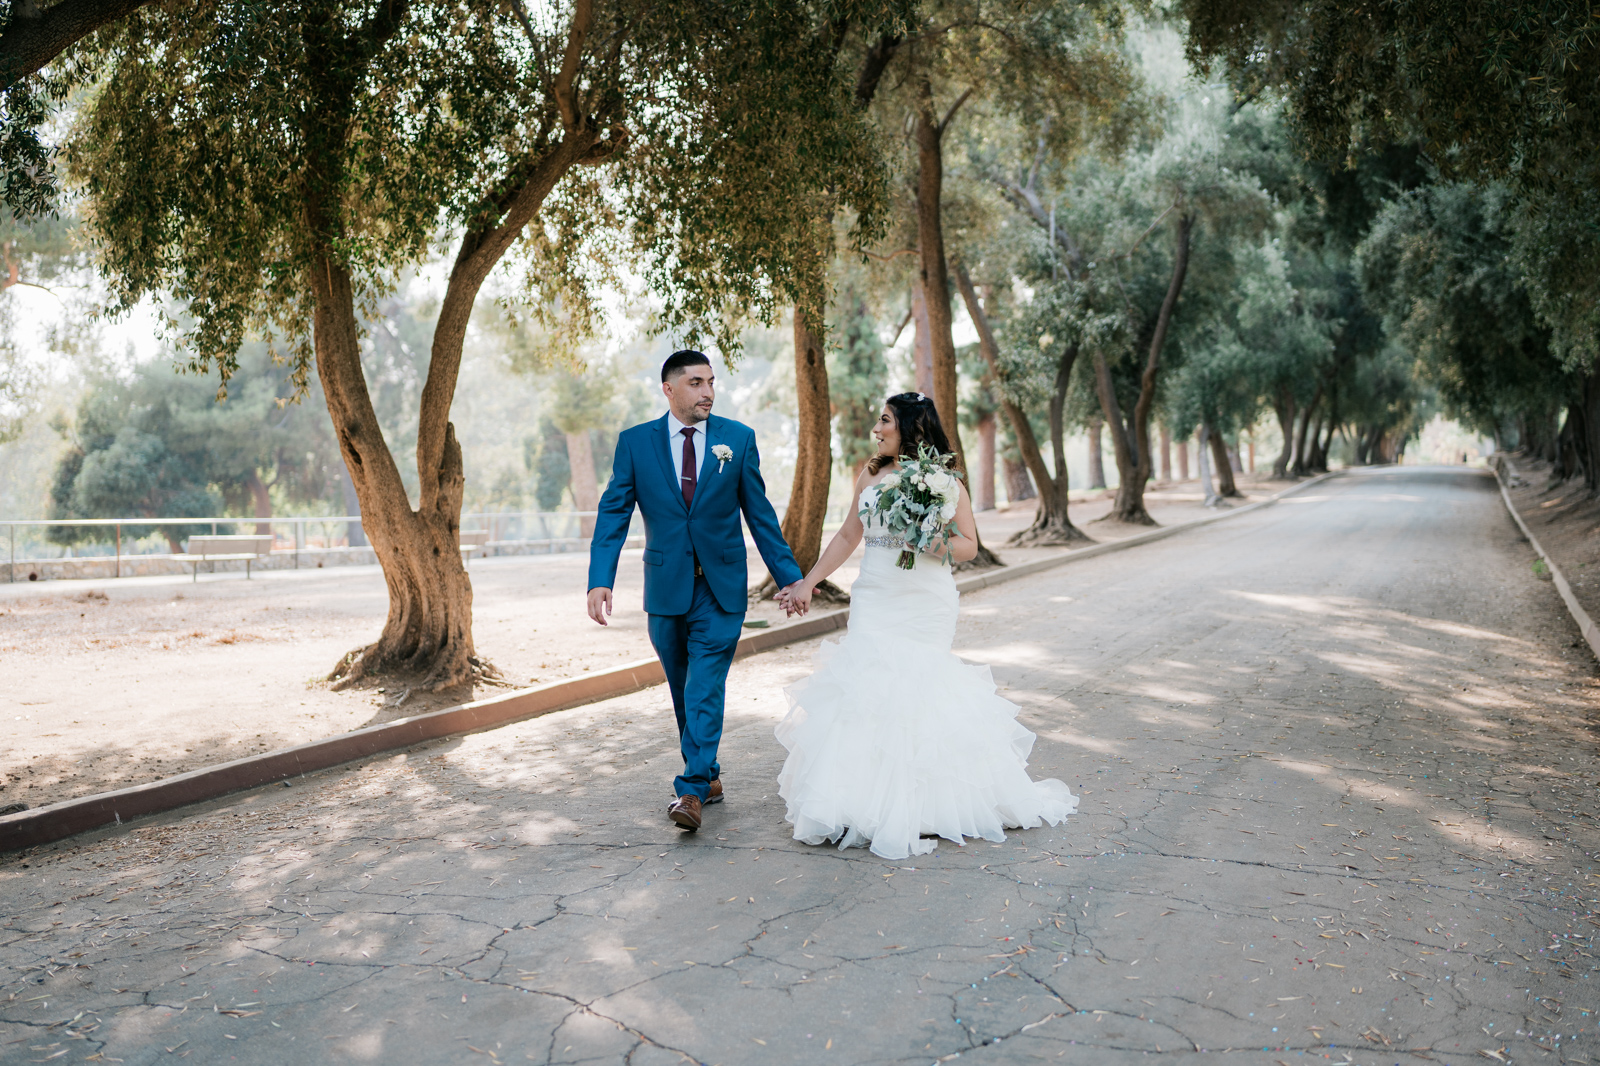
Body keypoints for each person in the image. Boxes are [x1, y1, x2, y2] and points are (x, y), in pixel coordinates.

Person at [773, 393, 1077, 859]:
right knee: (868, 687)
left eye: (886, 420)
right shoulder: (871, 474)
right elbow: (849, 534)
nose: (877, 428)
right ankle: (859, 803)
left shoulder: (944, 480)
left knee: (919, 687)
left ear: (911, 427)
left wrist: (930, 539)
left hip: (924, 602)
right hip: (876, 596)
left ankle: (926, 803)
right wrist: (808, 582)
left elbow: (969, 546)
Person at [587, 350, 807, 831]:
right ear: (669, 389)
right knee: (683, 689)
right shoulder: (635, 444)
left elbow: (761, 515)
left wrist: (790, 576)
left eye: (711, 382)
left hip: (721, 588)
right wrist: (600, 578)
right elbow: (613, 512)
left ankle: (689, 791)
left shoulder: (738, 440)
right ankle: (708, 774)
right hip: (665, 588)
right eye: (695, 383)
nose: (707, 391)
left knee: (705, 684)